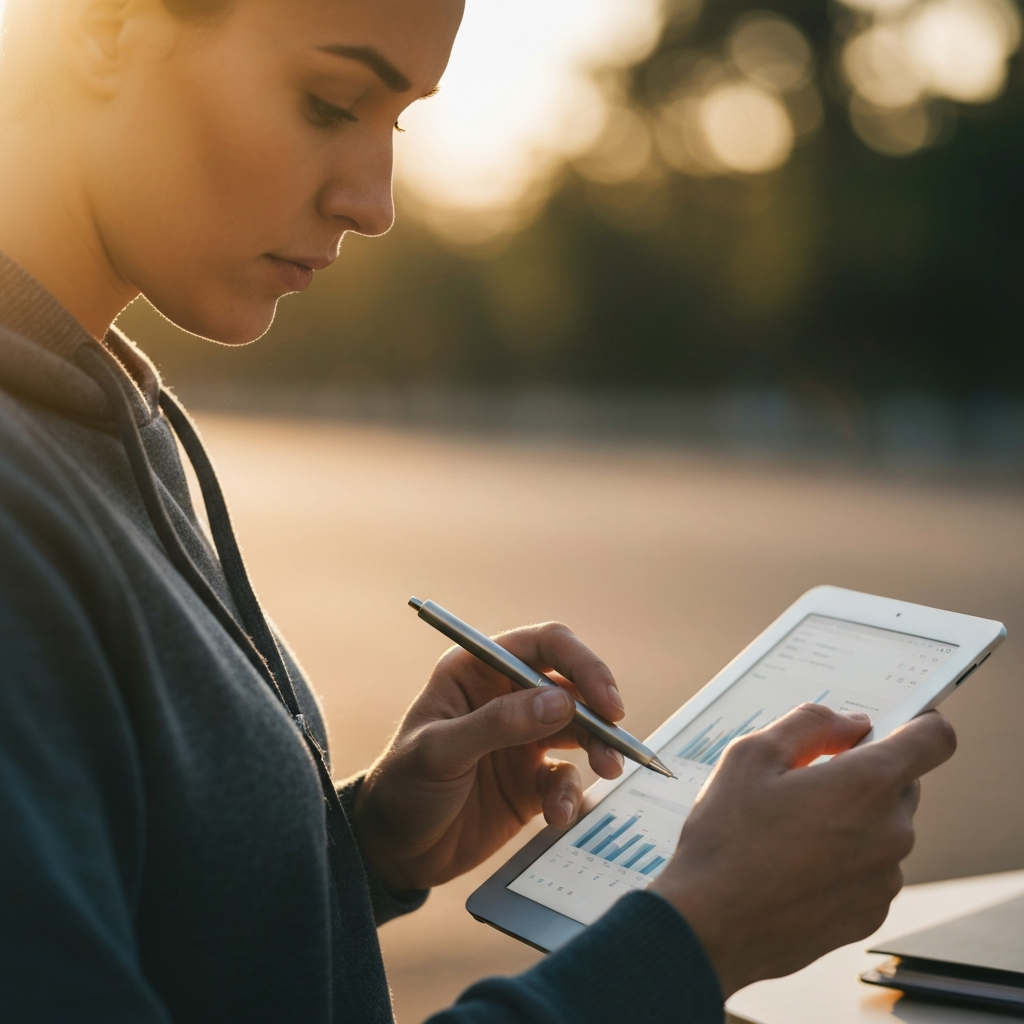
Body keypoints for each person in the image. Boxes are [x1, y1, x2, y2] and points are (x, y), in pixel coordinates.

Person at [0, 1, 957, 1022]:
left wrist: (357, 846)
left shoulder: (103, 411)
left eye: (396, 120)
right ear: (99, 29)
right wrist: (691, 938)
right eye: (329, 102)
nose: (375, 203)